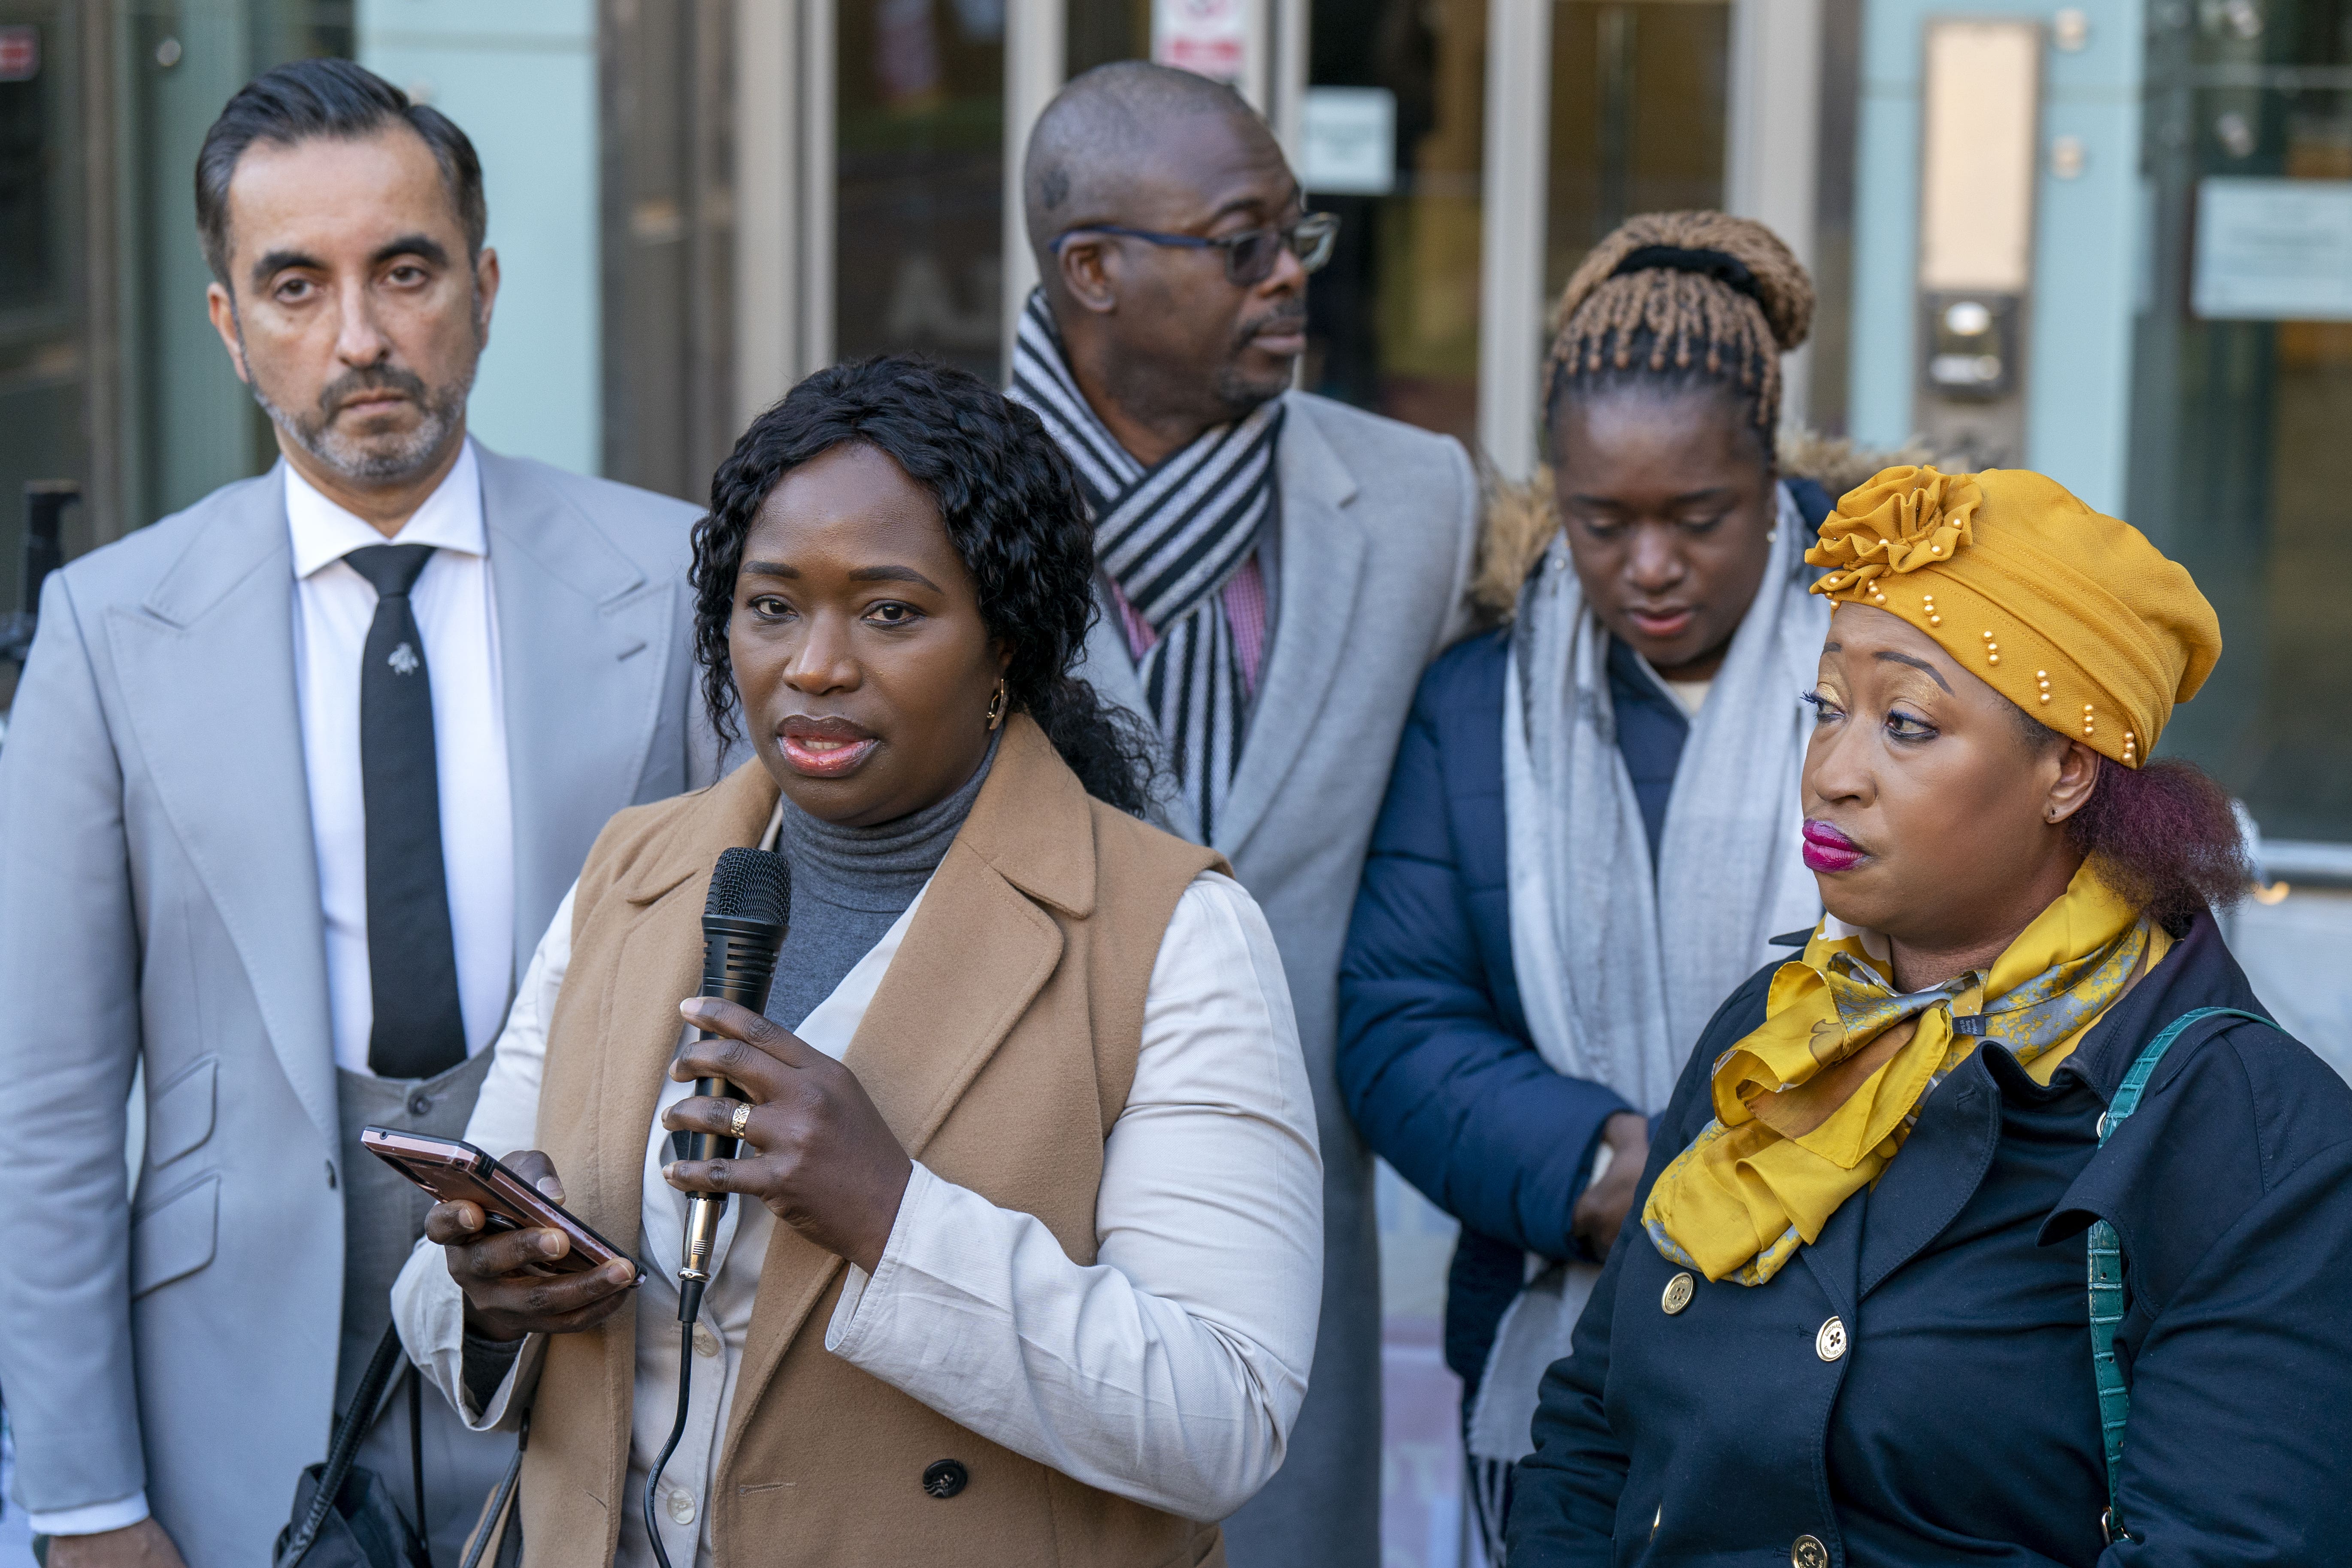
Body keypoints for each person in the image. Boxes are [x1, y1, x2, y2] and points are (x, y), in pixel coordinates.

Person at [390, 357, 1324, 1567]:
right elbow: (435, 1287)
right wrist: (487, 1292)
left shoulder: (1170, 931)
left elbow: (1226, 1415)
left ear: (1006, 643)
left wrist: (893, 1213)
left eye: (889, 611)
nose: (816, 663)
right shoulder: (632, 869)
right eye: (772, 605)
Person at [0, 61, 711, 1568]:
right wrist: (83, 1502)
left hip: (607, 1351)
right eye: (295, 285)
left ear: (486, 284)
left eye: (406, 270)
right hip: (241, 1372)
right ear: (226, 325)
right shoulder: (109, 627)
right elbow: (44, 1111)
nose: (363, 337)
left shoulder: (676, 578)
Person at [1504, 463, 2352, 1563]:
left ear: (2064, 772)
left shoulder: (2246, 1135)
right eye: (1824, 708)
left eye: (1903, 724)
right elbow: (1586, 1439)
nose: (1831, 774)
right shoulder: (1777, 1029)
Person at [1010, 61, 1478, 1564]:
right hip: (992, 1236)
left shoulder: (1420, 503)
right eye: (1240, 243)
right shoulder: (910, 510)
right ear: (1092, 270)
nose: (1289, 277)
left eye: (1298, 236)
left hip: (1297, 1264)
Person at [1336, 211, 1837, 1556]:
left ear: (1771, 474)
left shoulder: (1899, 673)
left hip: (1859, 1329)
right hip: (1567, 1334)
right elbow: (1398, 1014)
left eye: (1700, 517)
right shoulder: (1474, 699)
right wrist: (1602, 1165)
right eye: (1602, 521)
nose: (1651, 566)